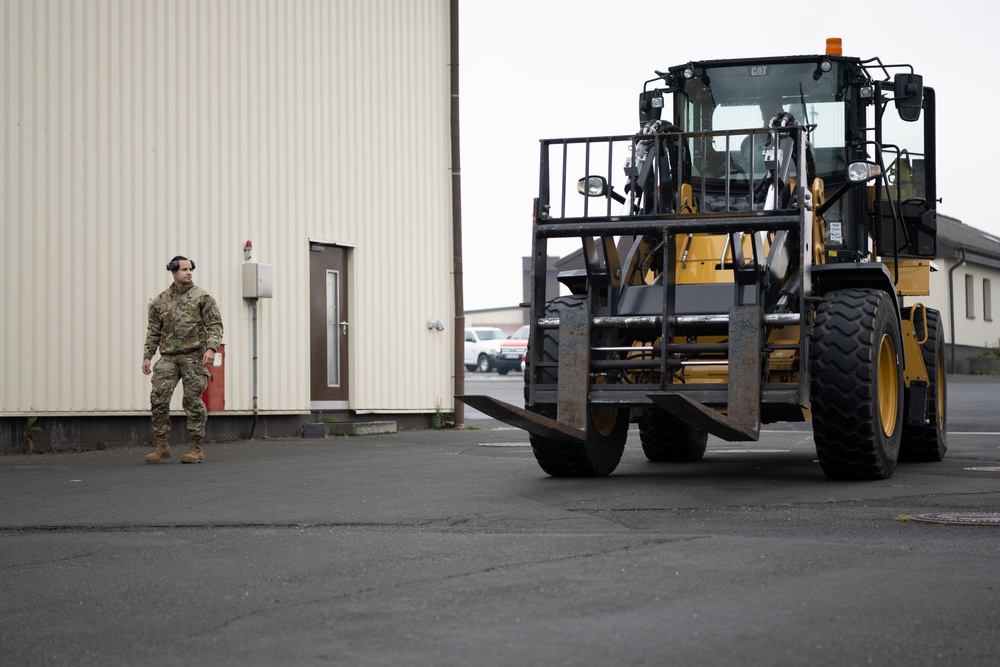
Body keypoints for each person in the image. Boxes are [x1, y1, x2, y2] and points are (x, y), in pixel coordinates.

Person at [142, 256, 224, 464]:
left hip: (194, 356)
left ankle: (196, 449)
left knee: (192, 400)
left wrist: (211, 348)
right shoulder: (160, 302)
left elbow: (215, 325)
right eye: (184, 270)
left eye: (190, 269)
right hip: (168, 357)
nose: (188, 273)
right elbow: (153, 331)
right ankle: (161, 446)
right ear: (173, 272)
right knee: (158, 398)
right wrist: (147, 356)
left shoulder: (202, 298)